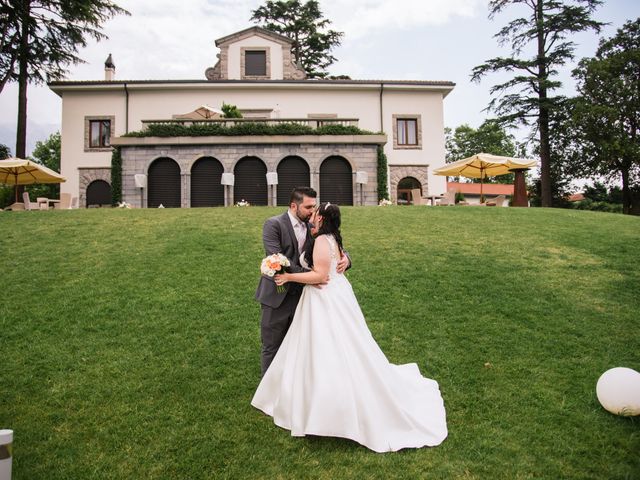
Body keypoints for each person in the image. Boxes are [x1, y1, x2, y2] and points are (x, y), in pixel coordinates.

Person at [251, 202, 447, 453]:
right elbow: (333, 261)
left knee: (330, 344)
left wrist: (288, 277)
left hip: (324, 298)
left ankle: (328, 403)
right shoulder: (329, 237)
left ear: (322, 218)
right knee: (324, 344)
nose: (312, 215)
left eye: (316, 212)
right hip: (330, 296)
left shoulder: (323, 240)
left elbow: (321, 276)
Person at [255, 187, 350, 376]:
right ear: (293, 205)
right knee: (272, 345)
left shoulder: (314, 225)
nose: (313, 211)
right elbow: (278, 257)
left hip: (305, 297)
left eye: (314, 206)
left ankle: (294, 385)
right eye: (308, 207)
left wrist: (346, 258)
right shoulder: (273, 224)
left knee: (299, 345)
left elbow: (332, 244)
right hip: (278, 294)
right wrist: (311, 275)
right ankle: (268, 389)